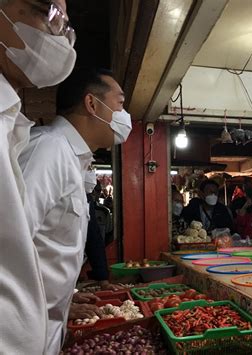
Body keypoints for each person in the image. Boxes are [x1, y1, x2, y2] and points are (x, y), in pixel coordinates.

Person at [19, 68, 132, 353]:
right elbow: (10, 244)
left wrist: (66, 299)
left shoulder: (73, 158)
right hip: (21, 328)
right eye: (119, 103)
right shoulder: (48, 151)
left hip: (45, 323)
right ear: (92, 104)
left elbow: (48, 245)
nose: (124, 115)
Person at [0, 0, 76, 353]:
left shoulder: (11, 123)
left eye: (65, 24)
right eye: (51, 14)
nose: (61, 35)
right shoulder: (50, 149)